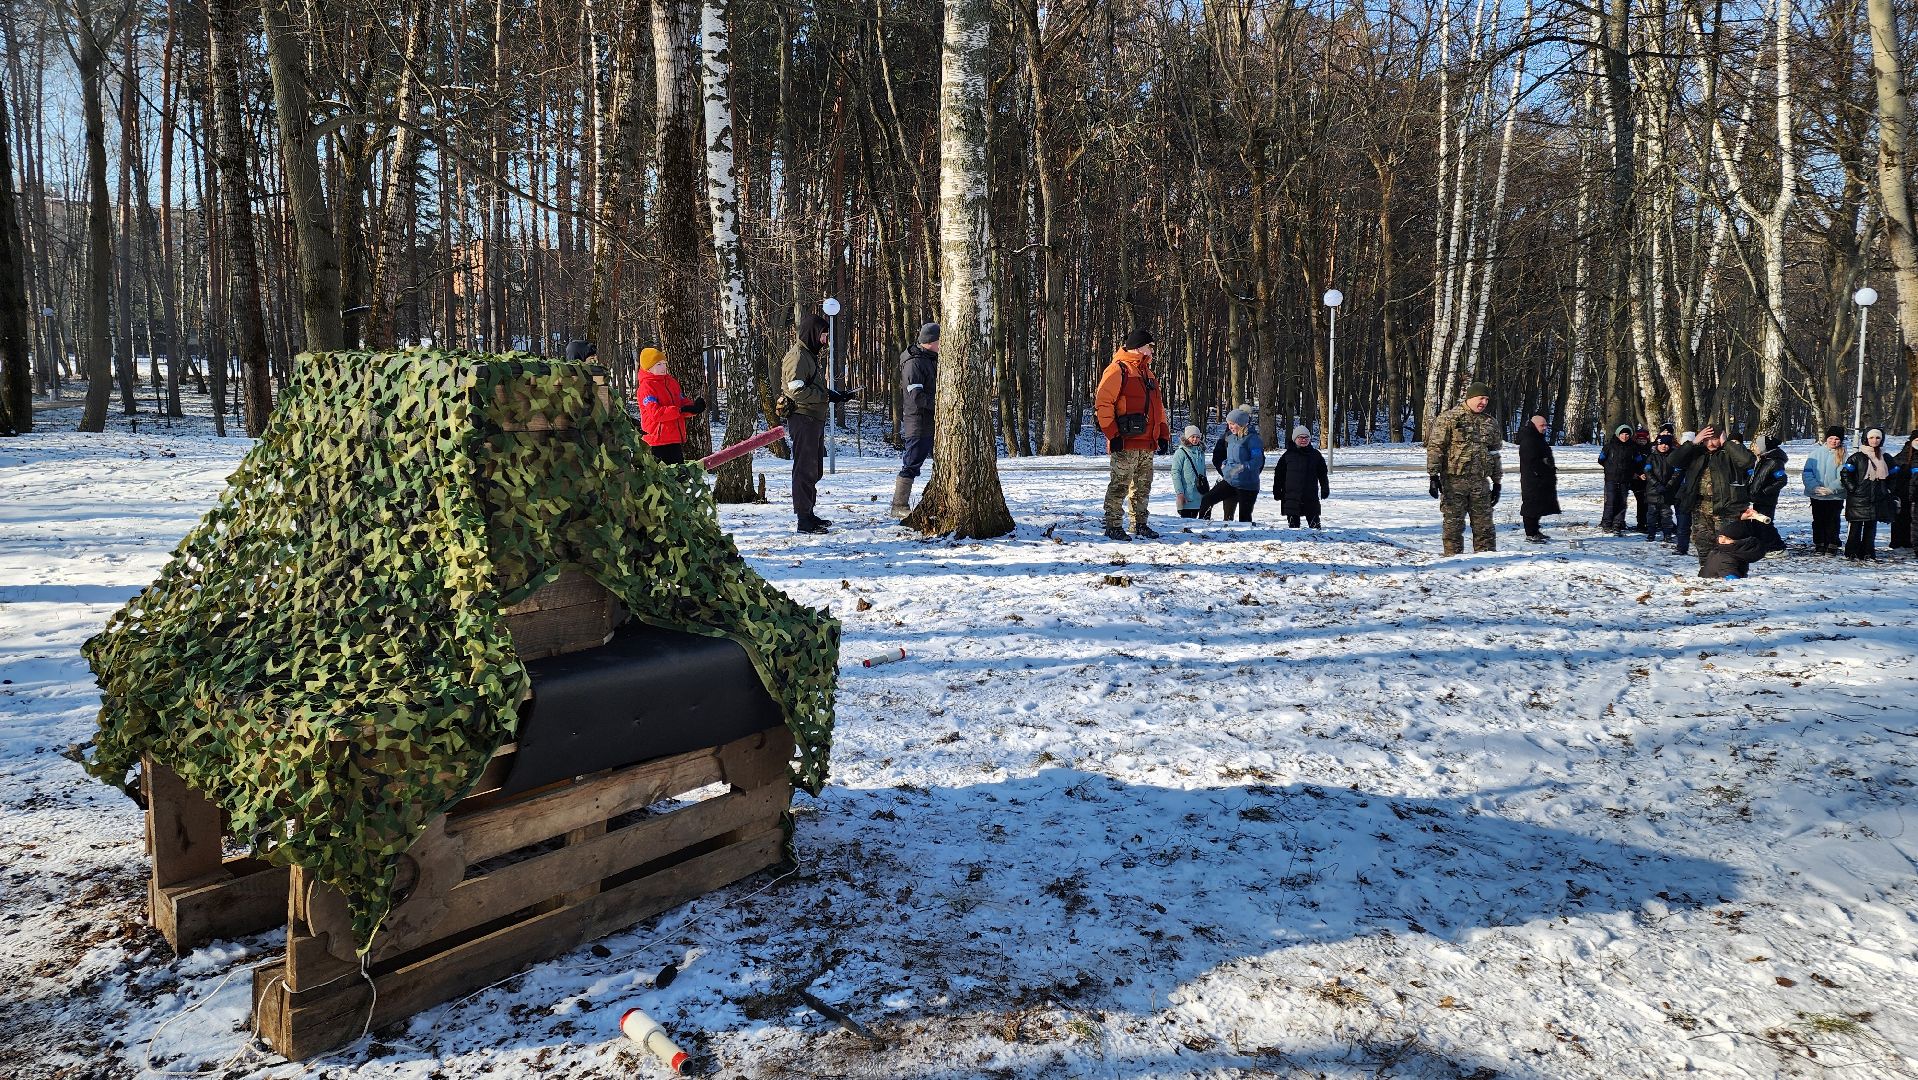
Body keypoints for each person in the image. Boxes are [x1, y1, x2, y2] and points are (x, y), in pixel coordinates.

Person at [779, 312, 857, 534]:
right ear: (813, 333)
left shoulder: (808, 355)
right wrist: (825, 397)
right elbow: (796, 391)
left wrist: (835, 394)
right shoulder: (798, 357)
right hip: (803, 418)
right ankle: (803, 519)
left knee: (813, 468)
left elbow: (811, 387)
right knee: (804, 469)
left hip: (813, 418)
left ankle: (809, 513)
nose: (825, 340)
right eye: (823, 335)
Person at [1094, 329, 1171, 541]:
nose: (1153, 351)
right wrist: (1113, 434)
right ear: (1138, 347)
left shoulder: (1148, 373)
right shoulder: (1118, 370)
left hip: (1147, 442)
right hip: (1125, 442)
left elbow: (1158, 407)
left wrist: (1163, 434)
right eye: (1150, 346)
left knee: (1143, 486)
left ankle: (1139, 523)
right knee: (1120, 484)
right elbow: (1103, 403)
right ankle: (1113, 525)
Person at [1426, 382, 1503, 555]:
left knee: (1485, 527)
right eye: (1480, 398)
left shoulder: (1490, 422)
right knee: (1453, 526)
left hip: (1480, 483)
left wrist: (1497, 483)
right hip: (1454, 482)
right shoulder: (1450, 418)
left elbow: (1494, 453)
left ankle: (1486, 561)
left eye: (1486, 399)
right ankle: (1453, 561)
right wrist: (1433, 476)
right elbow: (1436, 447)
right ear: (1470, 398)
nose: (1483, 402)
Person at [1670, 423, 1757, 574]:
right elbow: (1673, 461)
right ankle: (1707, 568)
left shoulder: (1730, 452)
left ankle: (1732, 572)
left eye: (1715, 439)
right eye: (1706, 439)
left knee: (1728, 542)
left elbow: (1747, 461)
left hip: (1727, 507)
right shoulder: (1696, 453)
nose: (1710, 443)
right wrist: (1693, 443)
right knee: (1702, 540)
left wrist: (1727, 443)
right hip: (1700, 506)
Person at [891, 323, 939, 519]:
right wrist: (941, 405)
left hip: (931, 420)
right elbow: (916, 397)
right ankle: (898, 505)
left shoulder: (929, 359)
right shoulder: (914, 363)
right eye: (939, 341)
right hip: (918, 422)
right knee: (912, 463)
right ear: (930, 342)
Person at [635, 347, 705, 465]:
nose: (663, 367)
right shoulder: (646, 387)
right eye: (659, 364)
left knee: (678, 478)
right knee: (661, 479)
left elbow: (680, 402)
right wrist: (681, 410)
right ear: (648, 368)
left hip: (673, 438)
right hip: (656, 441)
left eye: (664, 363)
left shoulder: (671, 382)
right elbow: (655, 413)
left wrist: (694, 407)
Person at [1201, 407, 1266, 522]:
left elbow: (1258, 460)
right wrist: (1225, 464)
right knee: (1207, 499)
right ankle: (1203, 526)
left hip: (1247, 485)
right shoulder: (1231, 437)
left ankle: (1245, 538)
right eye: (1228, 424)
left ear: (1241, 424)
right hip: (1231, 480)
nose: (1229, 427)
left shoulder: (1253, 439)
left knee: (1244, 519)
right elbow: (1228, 456)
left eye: (1232, 424)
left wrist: (1242, 467)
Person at [1841, 427, 1892, 561]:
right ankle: (1852, 551)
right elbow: (1845, 474)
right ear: (1866, 439)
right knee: (1855, 527)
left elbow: (1894, 475)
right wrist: (1853, 488)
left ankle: (1868, 551)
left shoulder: (1885, 457)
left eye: (1877, 438)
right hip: (1858, 498)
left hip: (1877, 498)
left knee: (1871, 527)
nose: (1874, 440)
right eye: (1871, 437)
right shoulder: (1857, 457)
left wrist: (1888, 489)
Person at [1700, 506, 1786, 580]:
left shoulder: (1727, 555)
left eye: (1728, 539)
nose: (1722, 541)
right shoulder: (1725, 556)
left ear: (1741, 542)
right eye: (1721, 537)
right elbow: (1732, 578)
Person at [1272, 424, 1329, 528]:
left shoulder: (1316, 455)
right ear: (1295, 439)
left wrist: (1325, 488)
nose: (1303, 440)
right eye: (1300, 437)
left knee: (1315, 527)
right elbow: (1279, 475)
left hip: (1310, 495)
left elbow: (1323, 474)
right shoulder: (1287, 455)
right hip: (1291, 496)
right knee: (1294, 529)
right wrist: (1277, 490)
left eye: (1306, 437)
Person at [1514, 414, 1560, 542]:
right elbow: (1531, 460)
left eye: (1546, 425)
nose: (1545, 428)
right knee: (1531, 506)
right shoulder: (1529, 440)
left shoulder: (1537, 437)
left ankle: (1535, 530)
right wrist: (1542, 468)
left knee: (1539, 505)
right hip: (1533, 479)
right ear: (1534, 425)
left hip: (1540, 478)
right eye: (1542, 425)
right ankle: (1530, 533)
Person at [1803, 426, 1847, 555]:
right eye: (1831, 438)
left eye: (1837, 439)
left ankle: (1832, 543)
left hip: (1835, 495)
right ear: (1826, 439)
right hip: (1817, 495)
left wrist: (1831, 489)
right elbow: (1807, 473)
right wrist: (1815, 487)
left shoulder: (1844, 456)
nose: (1834, 441)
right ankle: (1819, 543)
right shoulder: (1815, 454)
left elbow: (1844, 476)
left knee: (1833, 520)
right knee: (1818, 520)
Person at [1597, 424, 1641, 535]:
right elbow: (1601, 459)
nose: (1624, 436)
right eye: (1622, 434)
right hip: (1611, 478)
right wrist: (1609, 468)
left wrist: (1634, 472)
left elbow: (1639, 461)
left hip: (1625, 479)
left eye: (1627, 434)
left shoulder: (1633, 447)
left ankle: (1618, 523)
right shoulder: (1609, 446)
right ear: (1618, 434)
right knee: (1610, 501)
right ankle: (1606, 523)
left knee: (1622, 502)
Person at [1642, 433, 1680, 544]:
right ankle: (1651, 533)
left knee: (1666, 514)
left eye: (1667, 444)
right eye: (1662, 444)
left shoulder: (1673, 457)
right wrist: (1656, 484)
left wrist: (1669, 485)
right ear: (1657, 445)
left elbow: (1677, 472)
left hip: (1667, 492)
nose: (1664, 446)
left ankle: (1667, 534)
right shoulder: (1651, 457)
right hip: (1653, 491)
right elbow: (1648, 472)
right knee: (1651, 514)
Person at [1170, 424, 1210, 519]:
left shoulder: (1201, 452)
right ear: (1187, 437)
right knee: (1187, 524)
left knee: (1198, 526)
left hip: (1200, 495)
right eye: (1192, 437)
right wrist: (1180, 493)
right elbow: (1175, 473)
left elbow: (1203, 472)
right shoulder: (1181, 452)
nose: (1195, 439)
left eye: (1197, 437)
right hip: (1187, 496)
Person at [1749, 433, 1789, 520]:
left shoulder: (1775, 462)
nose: (1754, 448)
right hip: (1759, 499)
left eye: (1756, 445)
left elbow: (1782, 480)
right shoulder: (1763, 460)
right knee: (1759, 526)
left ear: (1763, 447)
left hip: (1767, 501)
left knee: (1765, 527)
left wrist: (1765, 491)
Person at [1892, 428, 1918, 550]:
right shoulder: (1905, 454)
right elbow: (1894, 468)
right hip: (1904, 491)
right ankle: (1900, 541)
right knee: (1902, 517)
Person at [1630, 427, 1653, 532]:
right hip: (1637, 480)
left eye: (1643, 439)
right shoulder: (1633, 449)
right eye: (1639, 439)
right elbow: (1630, 464)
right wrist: (1637, 474)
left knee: (1650, 502)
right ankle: (1641, 523)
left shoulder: (1651, 449)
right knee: (1641, 502)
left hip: (1650, 479)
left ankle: (1651, 522)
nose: (1641, 441)